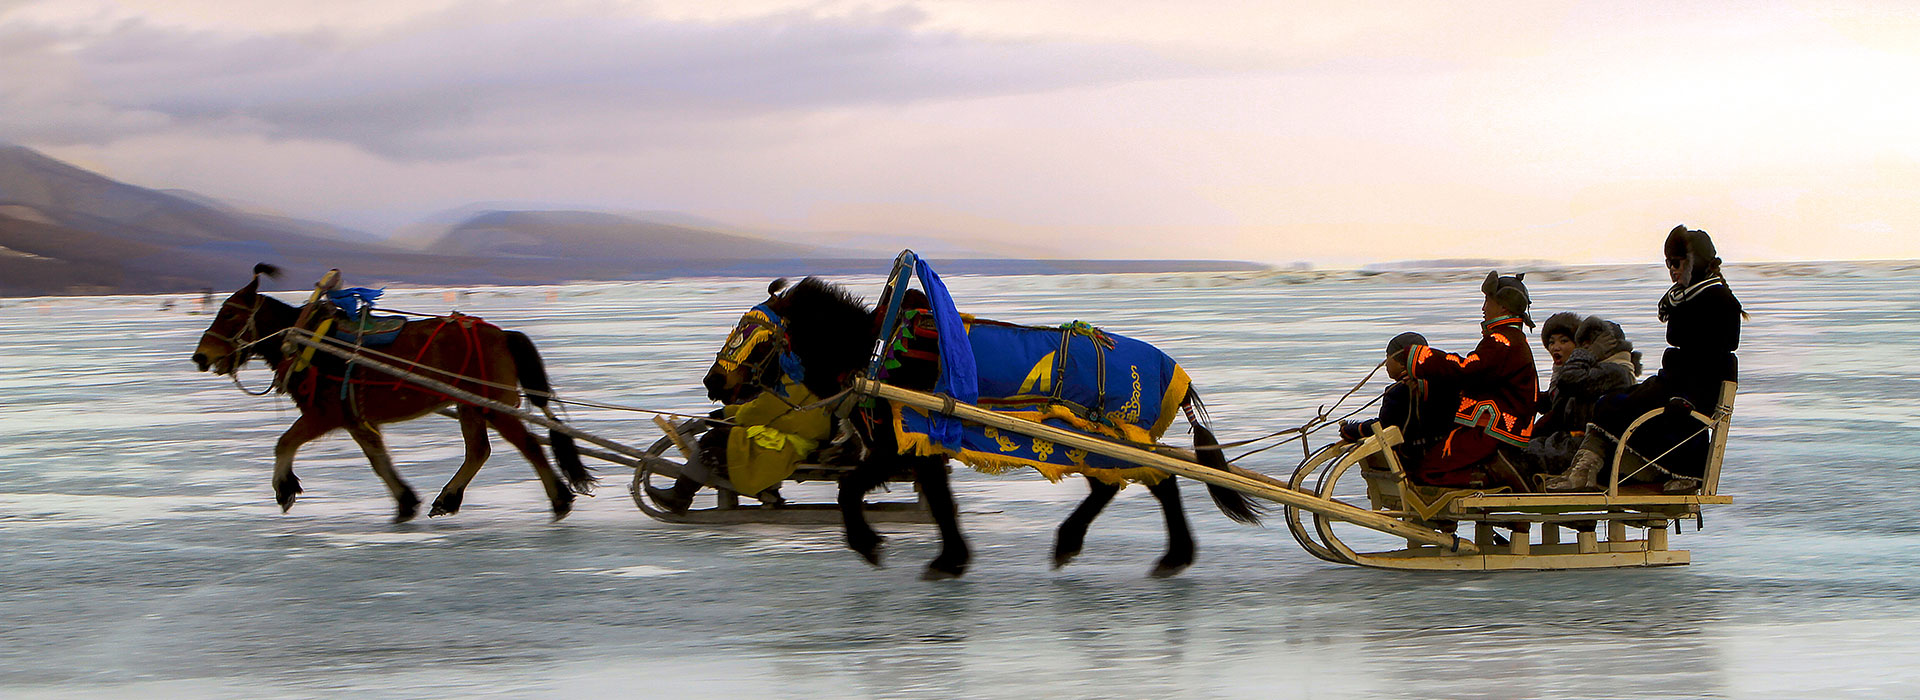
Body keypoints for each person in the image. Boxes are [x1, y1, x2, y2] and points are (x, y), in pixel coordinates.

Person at [1549, 225, 1742, 493]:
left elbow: (1713, 361)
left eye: (1677, 263)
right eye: (1668, 263)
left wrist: (1686, 397)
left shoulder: (1718, 302)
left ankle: (1594, 471)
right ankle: (1585, 470)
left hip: (1689, 393)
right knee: (1608, 403)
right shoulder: (1685, 298)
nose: (1672, 270)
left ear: (1695, 262)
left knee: (1612, 406)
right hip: (1673, 382)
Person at [1398, 271, 1539, 489]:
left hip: (1496, 429)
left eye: (1487, 301)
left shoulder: (1502, 341)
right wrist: (1425, 382)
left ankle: (1491, 478)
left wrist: (1420, 358)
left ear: (1503, 306)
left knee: (1427, 470)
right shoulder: (1509, 339)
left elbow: (1467, 370)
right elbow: (1475, 381)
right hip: (1495, 425)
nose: (1483, 308)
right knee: (1428, 463)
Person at [1531, 315, 1641, 482]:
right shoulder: (1600, 370)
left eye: (1587, 345)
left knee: (1528, 454)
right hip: (1579, 443)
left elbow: (1568, 380)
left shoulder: (1615, 371)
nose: (1556, 347)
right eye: (1551, 342)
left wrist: (1585, 354)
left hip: (1594, 451)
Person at [1339, 332, 1457, 465]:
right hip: (1446, 453)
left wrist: (1350, 430)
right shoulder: (1444, 385)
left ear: (1402, 363)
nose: (1385, 364)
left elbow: (1385, 428)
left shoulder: (1398, 391)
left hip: (1415, 459)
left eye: (1387, 357)